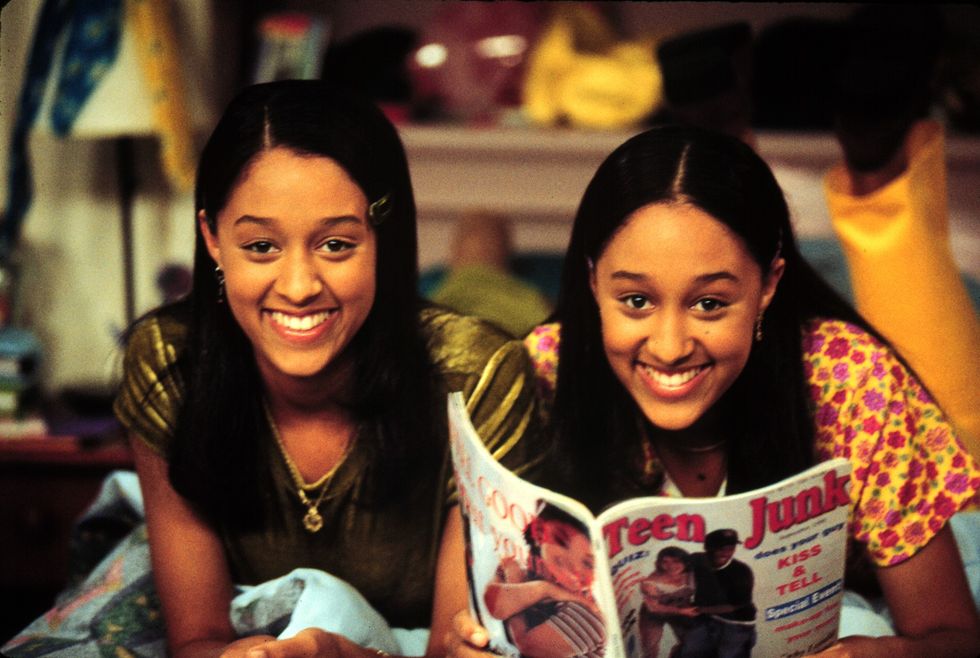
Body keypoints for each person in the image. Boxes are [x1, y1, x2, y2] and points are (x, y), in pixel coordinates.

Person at [447, 124, 980, 657]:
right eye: (636, 300)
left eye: (709, 304)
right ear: (593, 282)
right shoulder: (541, 369)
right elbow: (458, 621)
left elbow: (953, 638)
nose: (671, 346)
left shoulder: (850, 381)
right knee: (475, 292)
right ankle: (480, 242)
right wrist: (463, 642)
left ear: (768, 285)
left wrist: (888, 654)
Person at [114, 80, 544, 658]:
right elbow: (197, 640)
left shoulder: (482, 374)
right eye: (261, 247)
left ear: (382, 240)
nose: (297, 287)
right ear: (212, 238)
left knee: (483, 280)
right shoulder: (171, 364)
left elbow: (452, 648)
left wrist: (331, 655)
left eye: (336, 244)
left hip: (464, 319)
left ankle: (481, 234)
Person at [483, 501, 605, 658]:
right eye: (563, 541)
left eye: (589, 563)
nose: (575, 567)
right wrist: (546, 589)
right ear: (539, 532)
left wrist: (542, 589)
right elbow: (494, 605)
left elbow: (525, 646)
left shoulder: (588, 612)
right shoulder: (525, 572)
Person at [680, 530, 755, 658]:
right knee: (690, 652)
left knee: (729, 654)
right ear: (708, 548)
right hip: (707, 618)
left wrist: (698, 609)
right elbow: (677, 571)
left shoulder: (741, 572)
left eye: (731, 548)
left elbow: (734, 606)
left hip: (736, 624)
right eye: (720, 548)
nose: (726, 552)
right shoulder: (697, 559)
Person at [637, 546, 697, 658]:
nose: (671, 566)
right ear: (659, 563)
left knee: (691, 640)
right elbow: (653, 608)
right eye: (665, 562)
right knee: (650, 647)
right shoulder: (650, 583)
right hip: (653, 615)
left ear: (685, 562)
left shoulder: (692, 574)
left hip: (682, 610)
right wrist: (681, 611)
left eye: (676, 561)